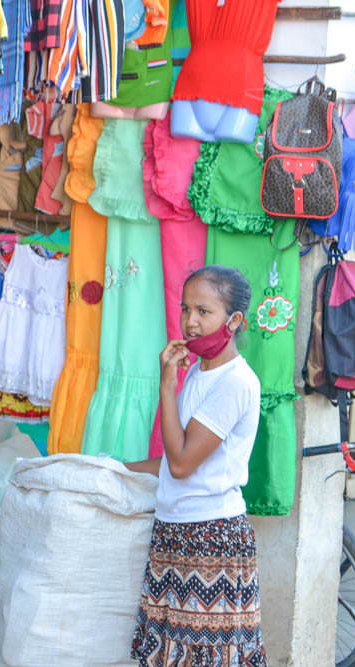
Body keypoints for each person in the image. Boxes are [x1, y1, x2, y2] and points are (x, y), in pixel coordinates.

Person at [125, 265, 266, 664]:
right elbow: (173, 461)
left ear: (234, 320)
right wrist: (117, 468)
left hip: (210, 539)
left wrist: (165, 384)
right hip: (176, 533)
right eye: (186, 309)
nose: (190, 321)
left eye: (204, 311)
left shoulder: (235, 382)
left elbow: (184, 464)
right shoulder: (200, 374)